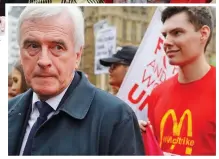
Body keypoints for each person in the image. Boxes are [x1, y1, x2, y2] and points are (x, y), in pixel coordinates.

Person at [8, 6, 145, 156]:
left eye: (58, 47)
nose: (43, 61)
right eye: (33, 46)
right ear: (20, 53)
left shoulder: (116, 118)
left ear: (77, 56)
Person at [139, 6, 215, 155]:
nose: (166, 42)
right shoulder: (157, 93)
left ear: (203, 34)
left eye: (177, 33)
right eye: (165, 35)